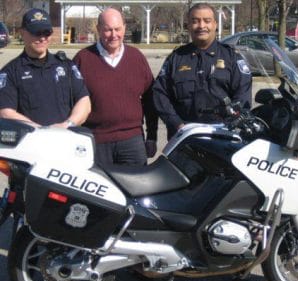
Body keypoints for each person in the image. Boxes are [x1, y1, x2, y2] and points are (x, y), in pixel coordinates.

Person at [153, 3, 252, 140]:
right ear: (188, 26)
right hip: (184, 138)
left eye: (207, 21)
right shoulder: (176, 58)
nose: (201, 26)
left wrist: (231, 124)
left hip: (222, 137)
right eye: (195, 21)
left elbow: (243, 97)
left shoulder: (231, 58)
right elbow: (160, 93)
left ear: (215, 24)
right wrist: (176, 123)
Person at [73, 7, 158, 166]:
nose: (114, 35)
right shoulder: (82, 60)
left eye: (118, 29)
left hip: (132, 141)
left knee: (136, 190)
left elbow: (150, 99)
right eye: (107, 30)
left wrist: (152, 136)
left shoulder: (136, 58)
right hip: (95, 142)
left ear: (124, 28)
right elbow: (70, 102)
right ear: (98, 29)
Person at [0, 8, 91, 128]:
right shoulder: (10, 72)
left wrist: (67, 124)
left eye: (46, 32)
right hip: (30, 141)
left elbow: (84, 102)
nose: (42, 38)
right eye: (36, 33)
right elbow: (5, 112)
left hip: (65, 138)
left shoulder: (66, 66)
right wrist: (41, 131)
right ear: (22, 33)